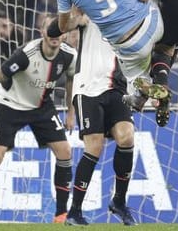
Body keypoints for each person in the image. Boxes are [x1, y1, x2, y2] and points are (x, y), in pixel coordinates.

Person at [49, 0, 170, 127]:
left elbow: (61, 27)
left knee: (135, 76)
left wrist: (80, 13)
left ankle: (145, 91)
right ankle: (164, 73)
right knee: (161, 4)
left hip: (130, 47)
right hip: (153, 23)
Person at [0, 14, 76, 223]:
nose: (54, 35)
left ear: (65, 33)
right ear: (41, 32)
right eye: (49, 30)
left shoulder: (69, 55)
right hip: (11, 104)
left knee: (65, 151)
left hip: (42, 107)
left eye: (58, 30)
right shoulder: (26, 54)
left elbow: (71, 80)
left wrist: (71, 111)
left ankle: (61, 215)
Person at [63, 17, 137, 226]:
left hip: (117, 87)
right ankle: (74, 212)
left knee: (127, 137)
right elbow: (56, 28)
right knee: (94, 146)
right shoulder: (90, 7)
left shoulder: (131, 13)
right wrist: (73, 16)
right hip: (87, 88)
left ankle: (119, 202)